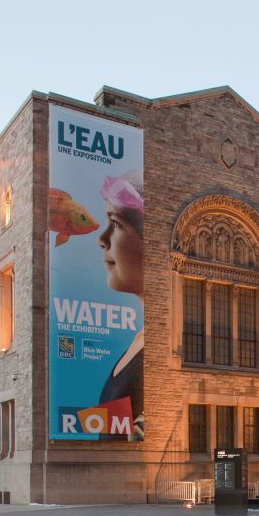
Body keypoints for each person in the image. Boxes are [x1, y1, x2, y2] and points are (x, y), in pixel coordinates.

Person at [97, 170, 145, 440]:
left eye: (115, 224)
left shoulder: (162, 349)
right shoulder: (138, 340)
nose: (101, 239)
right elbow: (108, 435)